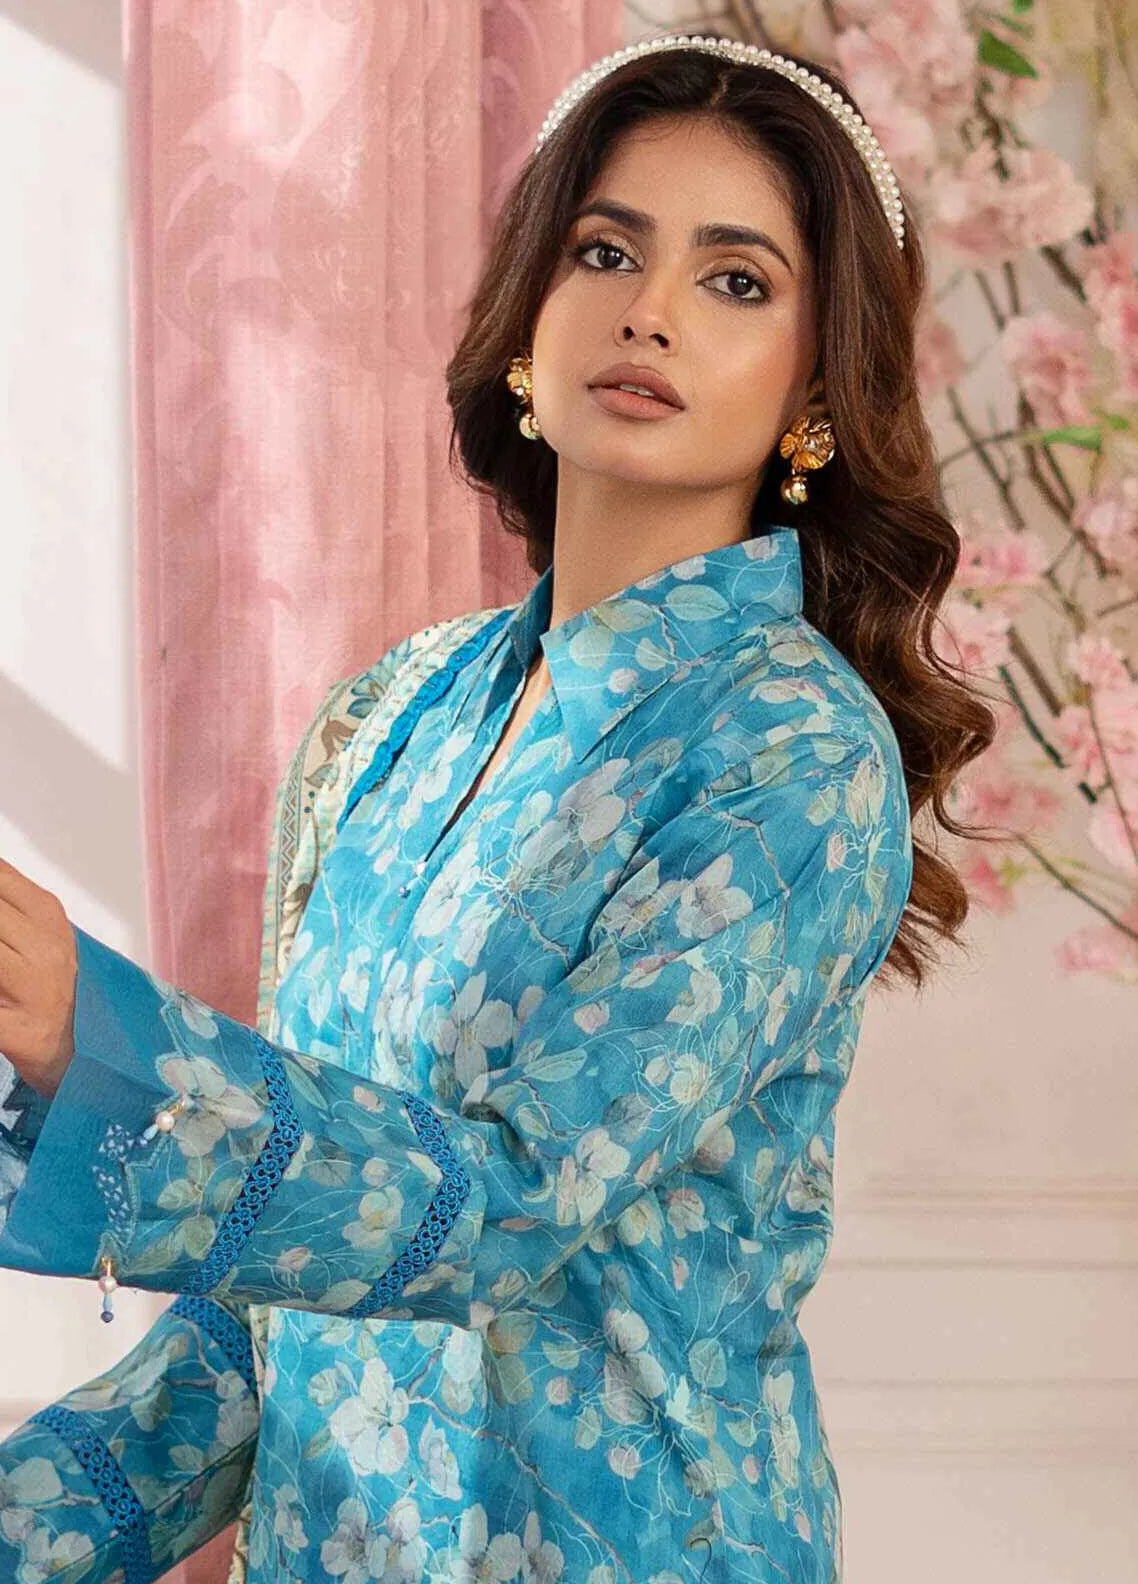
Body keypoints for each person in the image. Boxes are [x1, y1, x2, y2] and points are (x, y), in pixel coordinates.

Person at [0, 31, 996, 1584]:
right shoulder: (387, 717)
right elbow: (269, 1322)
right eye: (605, 251)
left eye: (735, 280)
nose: (648, 310)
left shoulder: (792, 755)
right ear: (531, 312)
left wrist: (102, 1039)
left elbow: (506, 1213)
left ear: (814, 387)